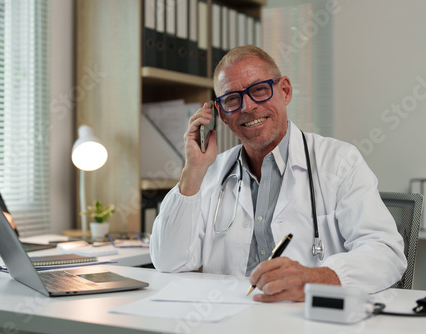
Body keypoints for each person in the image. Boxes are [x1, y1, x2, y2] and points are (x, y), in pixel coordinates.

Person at [149, 45, 406, 302]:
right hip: (230, 318)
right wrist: (192, 170)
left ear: (285, 91)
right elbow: (168, 261)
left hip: (310, 319)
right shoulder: (209, 173)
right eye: (231, 99)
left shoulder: (339, 161)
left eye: (259, 89)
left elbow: (386, 252)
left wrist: (316, 279)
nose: (247, 106)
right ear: (222, 115)